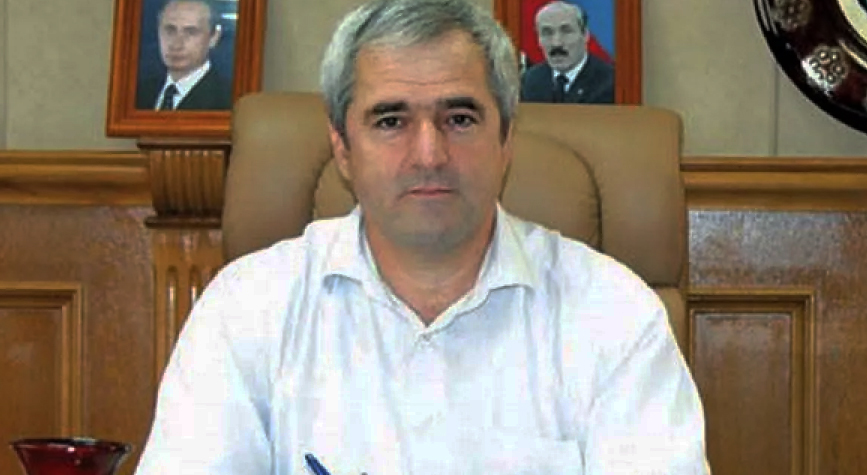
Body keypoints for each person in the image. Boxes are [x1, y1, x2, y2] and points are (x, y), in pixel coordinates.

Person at [134, 0, 709, 473]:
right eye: (391, 121)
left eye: (460, 119)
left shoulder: (613, 313)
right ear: (342, 148)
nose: (429, 154)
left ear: (506, 140)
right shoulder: (248, 309)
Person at [135, 0, 232, 111]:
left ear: (214, 37)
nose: (177, 45)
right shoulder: (139, 92)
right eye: (170, 30)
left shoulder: (226, 100)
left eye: (191, 32)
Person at [521, 1, 615, 104]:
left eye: (566, 31)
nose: (556, 43)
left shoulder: (610, 83)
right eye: (547, 33)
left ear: (585, 35)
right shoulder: (529, 81)